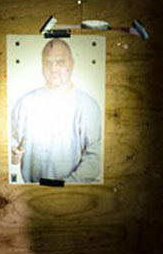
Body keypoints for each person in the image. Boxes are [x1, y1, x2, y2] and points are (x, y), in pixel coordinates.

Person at [10, 38, 103, 186]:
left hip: (71, 194)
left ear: (71, 65)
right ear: (41, 65)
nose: (53, 69)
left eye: (60, 62)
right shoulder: (25, 102)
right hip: (32, 191)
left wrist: (66, 187)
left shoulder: (87, 105)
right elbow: (11, 137)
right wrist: (12, 151)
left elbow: (95, 156)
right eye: (48, 63)